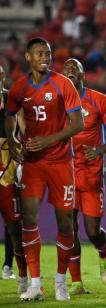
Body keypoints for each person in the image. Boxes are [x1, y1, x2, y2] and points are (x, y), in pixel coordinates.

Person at [5, 37, 84, 301]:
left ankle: (60, 281)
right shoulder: (18, 88)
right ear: (28, 57)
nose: (45, 57)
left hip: (62, 163)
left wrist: (47, 140)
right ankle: (36, 283)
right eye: (39, 53)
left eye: (48, 53)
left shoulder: (63, 84)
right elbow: (9, 116)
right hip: (33, 164)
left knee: (65, 222)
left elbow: (78, 124)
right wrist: (14, 139)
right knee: (28, 219)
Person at [61, 58, 106, 294]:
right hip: (66, 174)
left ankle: (103, 252)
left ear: (83, 74)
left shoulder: (99, 100)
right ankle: (76, 282)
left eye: (74, 69)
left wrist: (98, 151)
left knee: (92, 230)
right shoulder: (57, 101)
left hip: (91, 175)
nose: (69, 72)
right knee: (69, 228)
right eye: (65, 70)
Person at [0, 63, 28, 294]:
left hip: (7, 165)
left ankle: (20, 276)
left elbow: (23, 129)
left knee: (13, 225)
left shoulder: (11, 99)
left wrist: (21, 157)